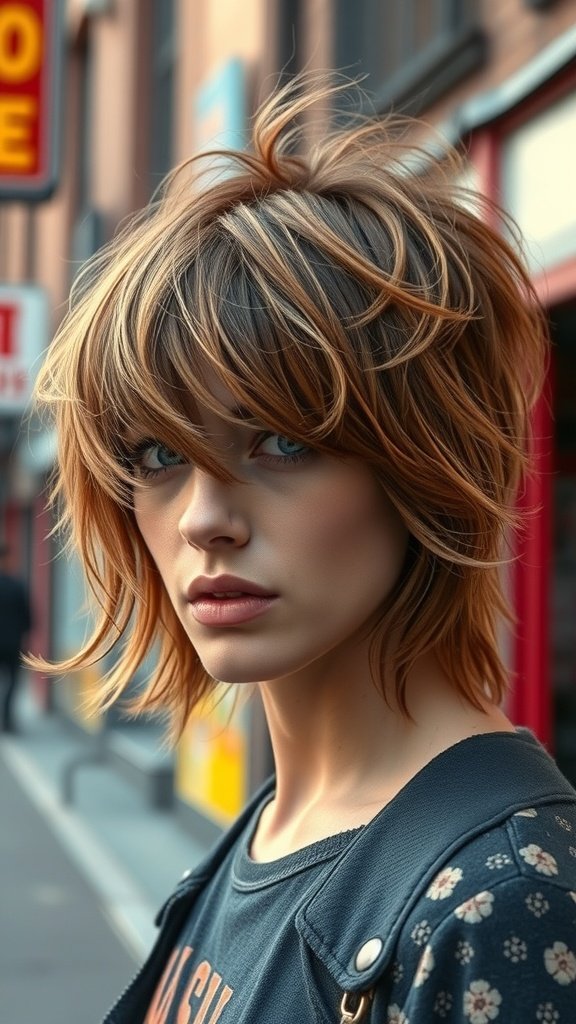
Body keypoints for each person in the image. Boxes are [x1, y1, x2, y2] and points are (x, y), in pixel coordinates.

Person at [33, 77, 576, 1023]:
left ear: (423, 462)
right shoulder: (278, 829)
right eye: (161, 454)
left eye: (283, 441)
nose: (204, 517)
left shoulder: (499, 901)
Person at [0, 543, 32, 734]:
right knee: (12, 681)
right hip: (12, 642)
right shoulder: (16, 585)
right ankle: (7, 719)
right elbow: (27, 618)